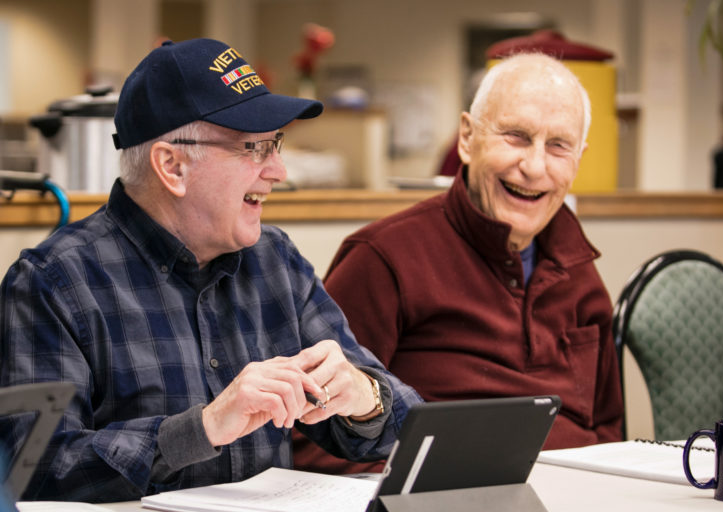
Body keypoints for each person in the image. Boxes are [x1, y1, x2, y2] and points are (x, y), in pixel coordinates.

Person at [0, 38, 421, 502]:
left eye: (275, 144)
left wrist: (364, 397)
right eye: (254, 148)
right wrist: (201, 429)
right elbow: (31, 469)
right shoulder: (53, 283)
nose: (279, 170)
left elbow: (408, 425)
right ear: (173, 166)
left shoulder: (275, 262)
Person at [293, 52, 623, 474]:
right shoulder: (383, 258)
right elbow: (314, 442)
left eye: (558, 146)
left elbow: (609, 430)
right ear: (467, 138)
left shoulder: (580, 270)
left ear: (579, 158)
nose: (535, 167)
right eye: (517, 136)